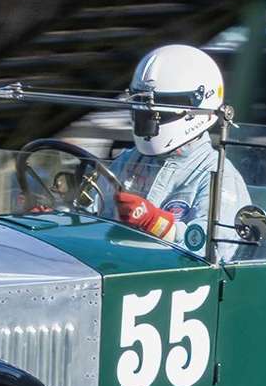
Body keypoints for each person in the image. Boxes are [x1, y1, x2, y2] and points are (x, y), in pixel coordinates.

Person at [108, 44, 252, 257]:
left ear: (195, 107)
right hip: (112, 262)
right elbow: (90, 213)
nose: (147, 114)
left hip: (163, 273)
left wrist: (158, 224)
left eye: (160, 105)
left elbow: (213, 250)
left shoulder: (218, 174)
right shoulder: (128, 160)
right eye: (140, 102)